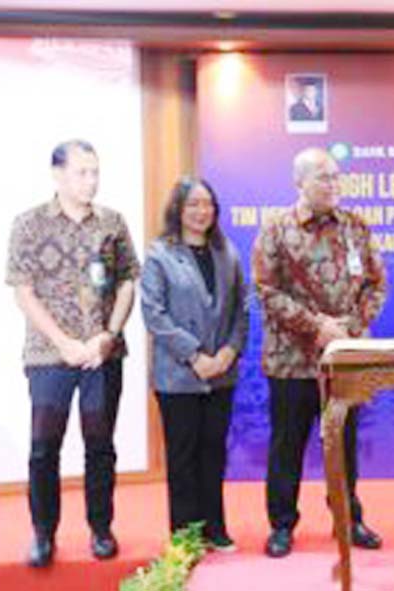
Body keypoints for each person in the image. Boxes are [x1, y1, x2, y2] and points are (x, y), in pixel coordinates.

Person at [5, 139, 139, 567]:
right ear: (57, 174)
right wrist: (63, 343)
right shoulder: (29, 224)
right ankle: (44, 534)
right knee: (44, 447)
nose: (91, 180)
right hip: (49, 356)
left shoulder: (112, 222)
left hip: (102, 354)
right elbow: (23, 291)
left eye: (95, 172)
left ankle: (101, 529)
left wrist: (109, 334)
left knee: (100, 445)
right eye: (82, 172)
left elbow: (127, 281)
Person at [252, 147, 387, 558]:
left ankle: (348, 519)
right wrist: (317, 327)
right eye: (323, 177)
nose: (333, 185)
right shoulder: (276, 229)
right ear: (300, 183)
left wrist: (349, 329)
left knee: (343, 445)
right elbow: (266, 290)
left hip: (344, 360)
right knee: (287, 447)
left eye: (336, 177)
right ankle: (281, 525)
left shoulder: (355, 227)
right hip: (291, 363)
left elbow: (377, 285)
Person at [140, 176, 248, 552]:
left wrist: (229, 352)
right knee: (183, 458)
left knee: (213, 452)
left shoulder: (227, 252)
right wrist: (194, 356)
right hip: (178, 377)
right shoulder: (160, 255)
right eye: (194, 204)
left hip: (221, 374)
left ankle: (214, 528)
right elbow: (154, 314)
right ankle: (185, 536)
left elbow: (241, 310)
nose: (202, 211)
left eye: (208, 204)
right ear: (178, 209)